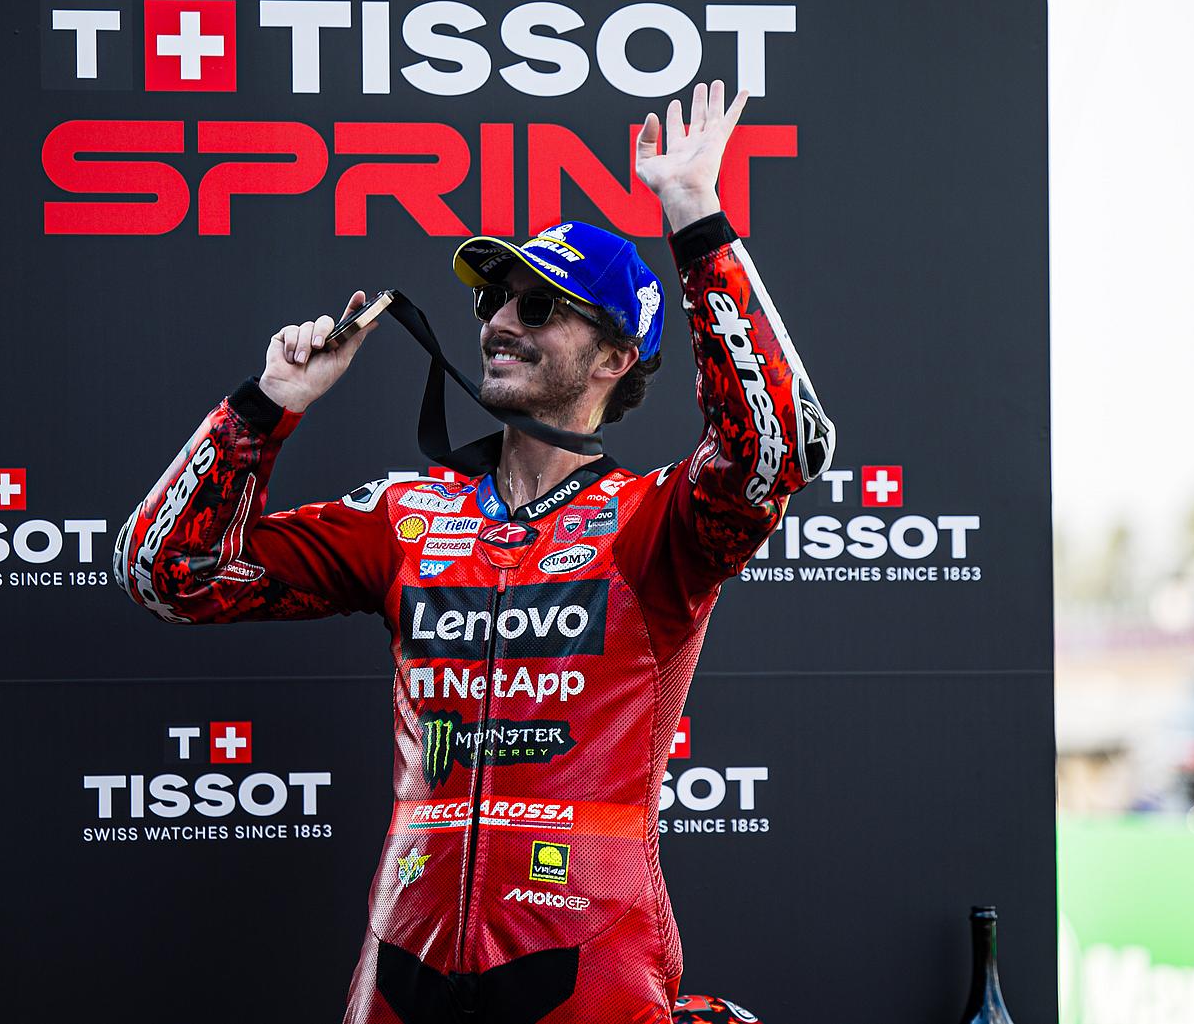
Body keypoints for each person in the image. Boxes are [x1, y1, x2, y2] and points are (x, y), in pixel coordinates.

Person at [113, 80, 834, 1024]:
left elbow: (782, 442)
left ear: (615, 356)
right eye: (495, 299)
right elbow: (168, 574)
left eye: (540, 307)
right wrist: (268, 404)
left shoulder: (656, 522)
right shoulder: (405, 515)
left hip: (588, 966)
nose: (500, 321)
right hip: (401, 968)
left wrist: (696, 216)